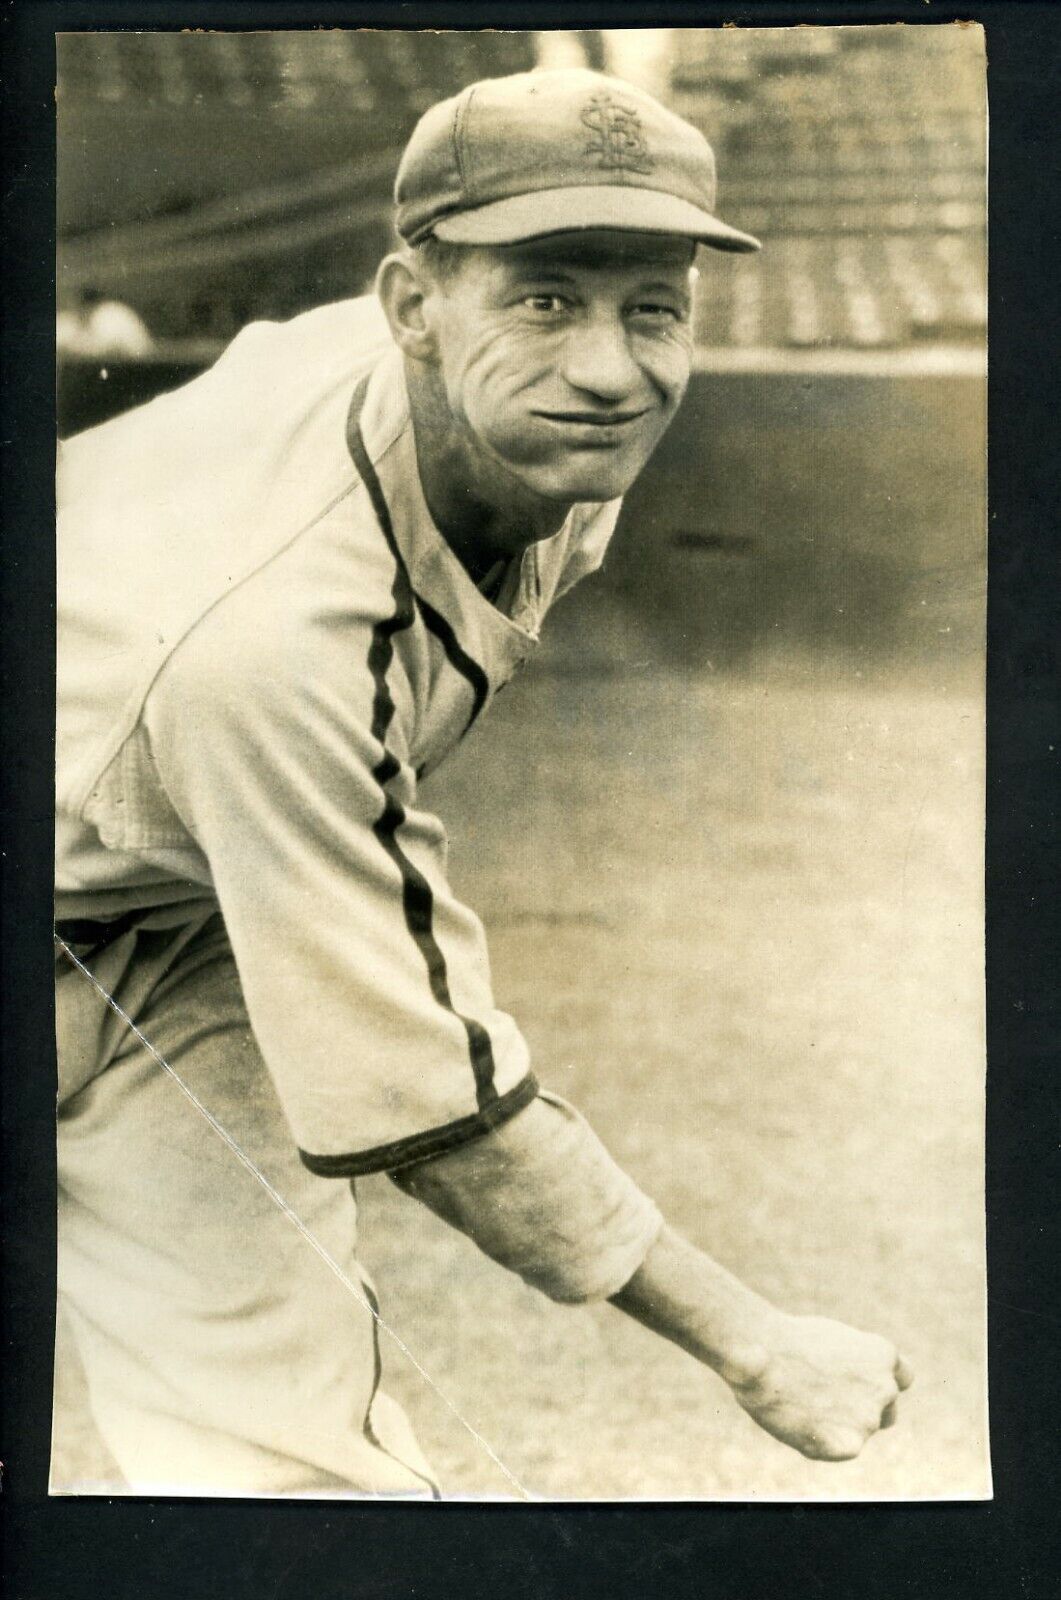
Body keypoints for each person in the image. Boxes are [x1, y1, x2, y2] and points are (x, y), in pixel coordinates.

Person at [54, 67, 912, 1499]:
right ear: (411, 305)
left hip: (149, 925)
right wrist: (752, 1342)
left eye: (653, 306)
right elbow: (417, 1084)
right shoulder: (263, 635)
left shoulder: (540, 438)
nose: (609, 367)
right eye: (543, 297)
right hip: (138, 812)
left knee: (287, 1476)